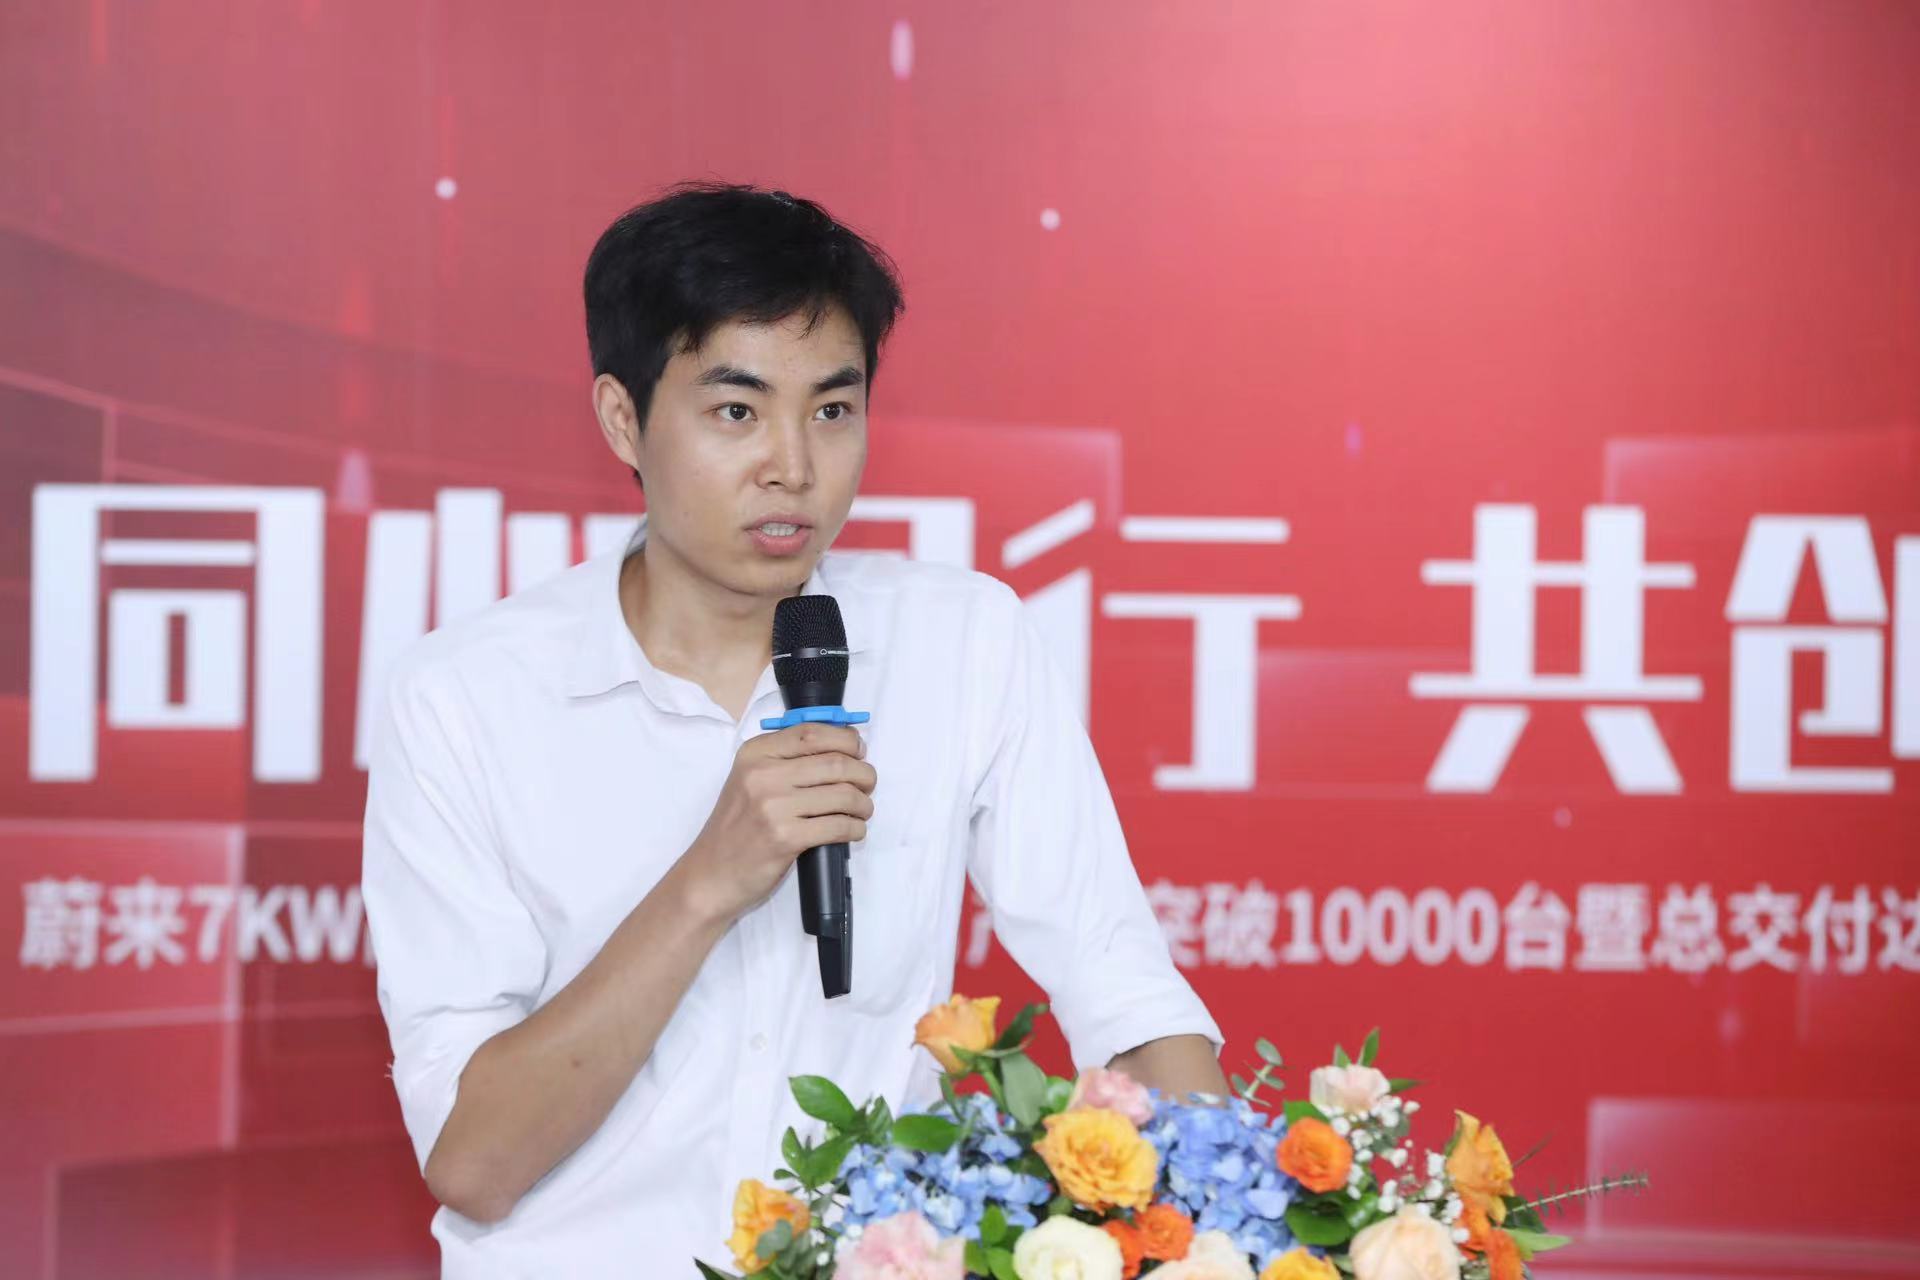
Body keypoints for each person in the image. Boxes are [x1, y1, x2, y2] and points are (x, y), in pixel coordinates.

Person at [361, 181, 1226, 1277]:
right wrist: (709, 881)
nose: (794, 466)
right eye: (737, 411)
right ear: (623, 418)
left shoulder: (963, 642)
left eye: (831, 409)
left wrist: (1240, 1225)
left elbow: (1121, 990)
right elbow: (474, 1160)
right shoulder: (464, 697)